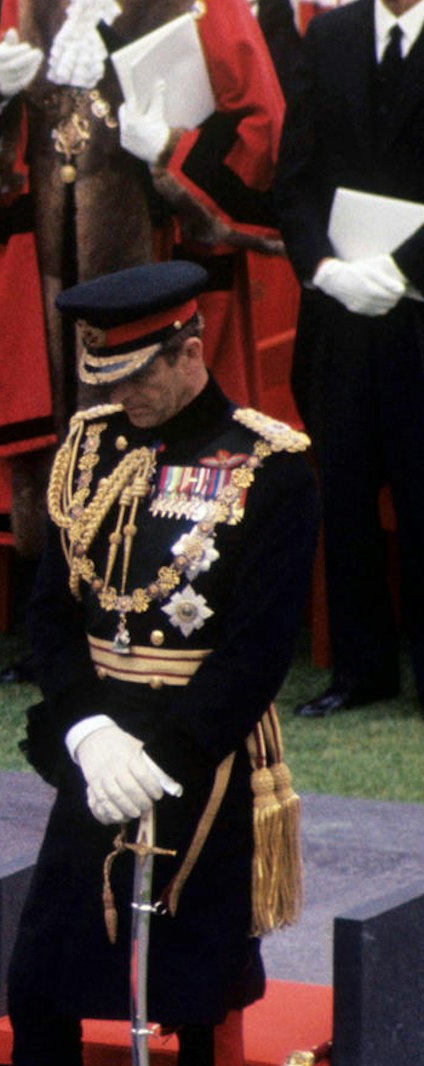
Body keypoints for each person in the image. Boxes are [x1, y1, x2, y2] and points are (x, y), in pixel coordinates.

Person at [12, 261, 316, 1066]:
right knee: (41, 977)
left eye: (140, 373)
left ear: (191, 350)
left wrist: (166, 757)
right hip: (102, 743)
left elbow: (257, 654)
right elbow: (52, 616)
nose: (124, 395)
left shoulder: (272, 467)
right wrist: (86, 735)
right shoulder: (89, 449)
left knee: (197, 996)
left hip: (200, 757)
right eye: (107, 375)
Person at [0, 0, 286, 591]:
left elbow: (264, 133)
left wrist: (170, 148)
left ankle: (159, 602)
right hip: (47, 259)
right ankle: (64, 598)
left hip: (158, 258)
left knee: (155, 421)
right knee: (62, 433)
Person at [273, 0, 424, 719]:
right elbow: (294, 175)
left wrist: (402, 272)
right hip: (338, 311)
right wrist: (326, 269)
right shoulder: (327, 34)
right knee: (346, 485)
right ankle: (361, 670)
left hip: (419, 306)